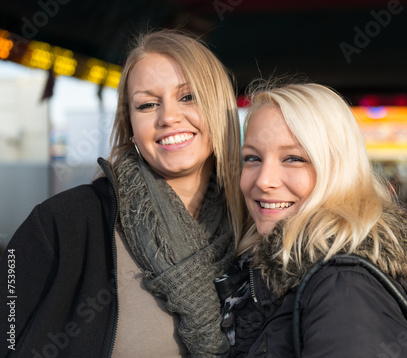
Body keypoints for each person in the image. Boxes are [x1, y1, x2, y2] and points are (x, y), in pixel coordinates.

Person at [0, 29, 245, 358]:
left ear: (220, 107)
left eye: (188, 97)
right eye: (147, 104)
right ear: (130, 126)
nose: (168, 117)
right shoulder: (63, 223)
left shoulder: (254, 226)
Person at [216, 83, 407, 357]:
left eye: (293, 158)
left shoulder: (345, 285)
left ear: (338, 169)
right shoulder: (279, 268)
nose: (264, 180)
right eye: (252, 158)